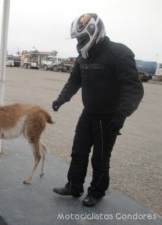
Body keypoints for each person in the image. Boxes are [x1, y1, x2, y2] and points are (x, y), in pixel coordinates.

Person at [52, 13, 144, 207]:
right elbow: (74, 81)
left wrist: (122, 115)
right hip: (89, 113)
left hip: (109, 117)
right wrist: (61, 99)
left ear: (95, 33)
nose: (79, 42)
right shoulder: (82, 57)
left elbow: (133, 88)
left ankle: (97, 191)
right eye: (78, 39)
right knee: (78, 152)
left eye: (82, 38)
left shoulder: (118, 53)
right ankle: (74, 186)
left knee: (100, 158)